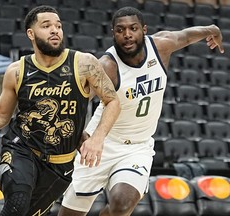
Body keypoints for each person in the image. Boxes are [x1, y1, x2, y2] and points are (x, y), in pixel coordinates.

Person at [0, 5, 120, 216]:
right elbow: (1, 115)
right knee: (17, 203)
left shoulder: (84, 63)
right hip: (22, 150)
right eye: (46, 26)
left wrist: (97, 138)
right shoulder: (17, 71)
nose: (55, 30)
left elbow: (112, 101)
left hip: (60, 164)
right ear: (31, 33)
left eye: (58, 26)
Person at [58, 6, 224, 216]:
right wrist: (81, 134)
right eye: (120, 30)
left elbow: (187, 35)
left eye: (133, 28)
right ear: (113, 33)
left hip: (137, 147)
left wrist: (212, 29)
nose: (127, 35)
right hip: (103, 144)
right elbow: (74, 103)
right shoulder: (107, 66)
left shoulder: (162, 46)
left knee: (123, 203)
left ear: (144, 30)